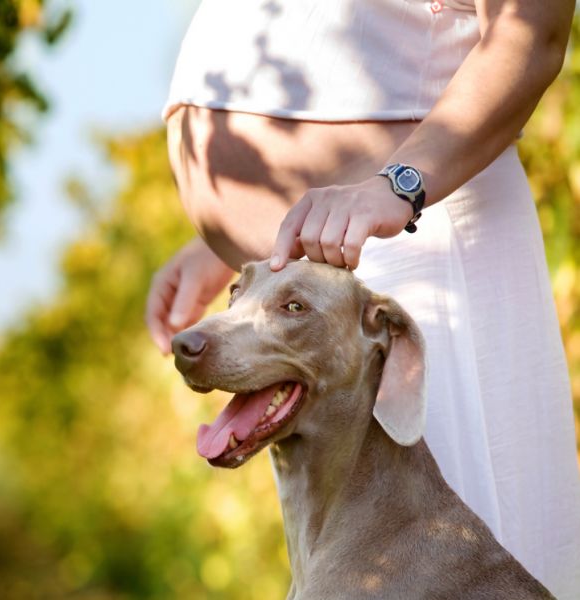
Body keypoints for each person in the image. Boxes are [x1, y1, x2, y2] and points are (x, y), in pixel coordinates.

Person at [145, 0, 580, 597]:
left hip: (421, 245)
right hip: (325, 270)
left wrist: (398, 186)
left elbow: (529, 38)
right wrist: (229, 243)